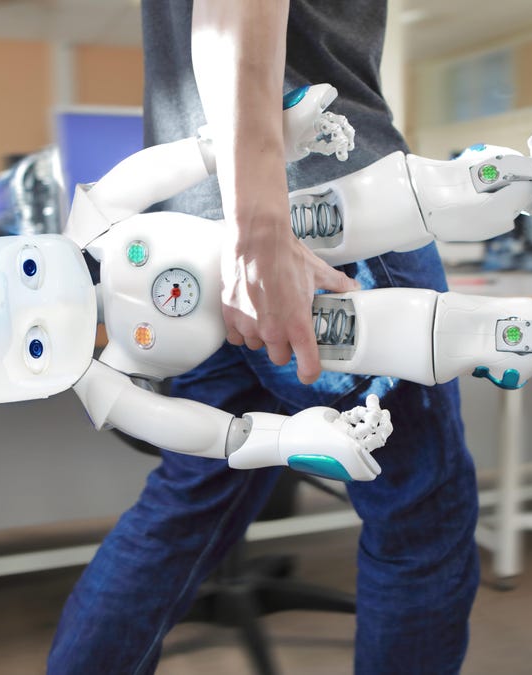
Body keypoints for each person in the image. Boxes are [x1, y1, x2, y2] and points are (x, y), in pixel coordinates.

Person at [47, 1, 479, 673]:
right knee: (420, 518)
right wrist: (260, 230)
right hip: (332, 211)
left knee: (190, 498)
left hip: (186, 228)